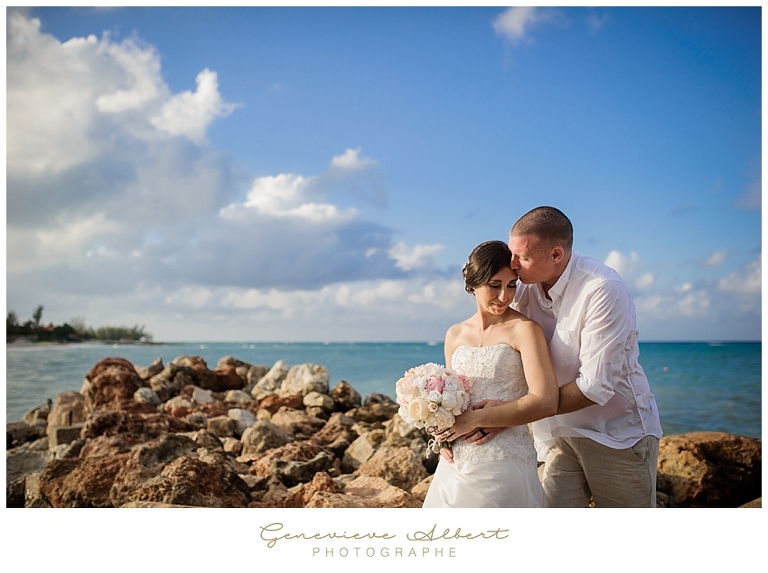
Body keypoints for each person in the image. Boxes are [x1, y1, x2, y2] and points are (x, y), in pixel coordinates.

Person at [501, 205, 663, 507]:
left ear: (556, 255)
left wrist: (510, 413)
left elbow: (595, 386)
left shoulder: (602, 289)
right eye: (512, 253)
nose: (512, 265)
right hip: (558, 436)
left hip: (616, 436)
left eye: (522, 257)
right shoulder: (523, 287)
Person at [422, 240, 559, 508]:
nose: (505, 296)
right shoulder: (455, 334)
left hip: (504, 458)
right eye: (495, 286)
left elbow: (546, 400)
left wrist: (478, 419)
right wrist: (439, 429)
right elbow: (454, 397)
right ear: (473, 283)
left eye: (511, 285)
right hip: (458, 459)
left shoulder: (525, 330)